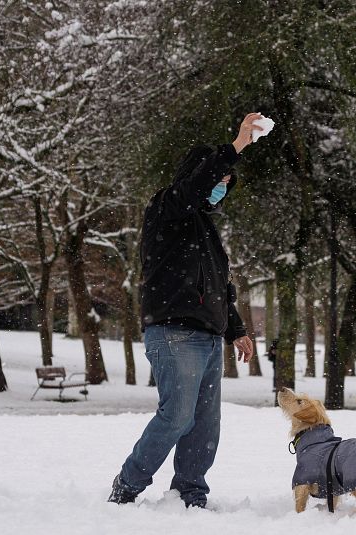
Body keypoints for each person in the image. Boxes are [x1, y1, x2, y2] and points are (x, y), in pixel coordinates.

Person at [108, 114, 262, 508]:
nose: (220, 189)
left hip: (209, 338)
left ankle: (190, 495)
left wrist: (236, 330)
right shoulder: (167, 207)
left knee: (205, 427)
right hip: (173, 333)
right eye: (218, 181)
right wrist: (235, 148)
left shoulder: (206, 231)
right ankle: (127, 485)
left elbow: (221, 288)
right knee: (176, 417)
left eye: (226, 186)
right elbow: (192, 188)